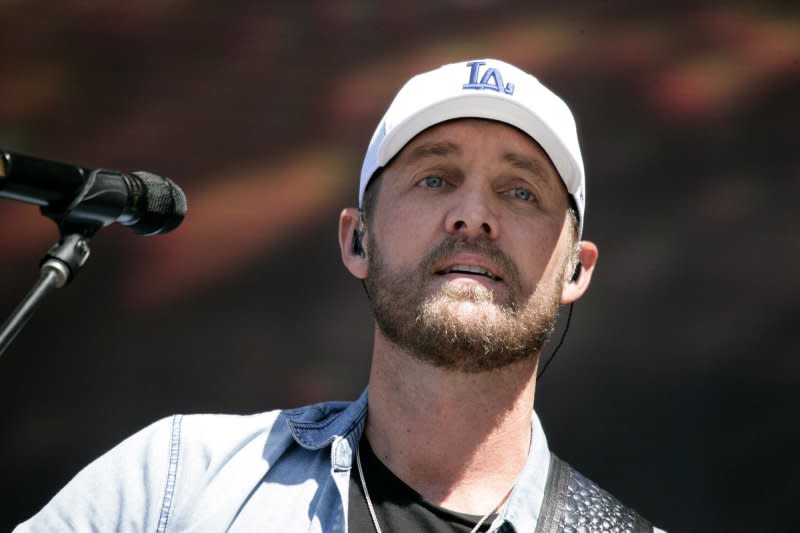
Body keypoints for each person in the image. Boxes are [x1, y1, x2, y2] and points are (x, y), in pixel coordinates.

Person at [15, 59, 662, 532]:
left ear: (576, 268)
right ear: (357, 241)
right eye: (435, 177)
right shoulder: (176, 481)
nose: (473, 214)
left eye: (520, 190)